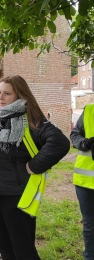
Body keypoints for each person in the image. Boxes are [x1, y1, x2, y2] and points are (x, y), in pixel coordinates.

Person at [0, 75, 70, 260]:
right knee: (3, 246)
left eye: (7, 94)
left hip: (16, 195)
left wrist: (33, 167)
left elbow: (60, 142)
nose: (0, 98)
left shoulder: (30, 119)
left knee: (23, 249)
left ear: (20, 96)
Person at [70, 105, 94, 260]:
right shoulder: (90, 110)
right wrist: (84, 143)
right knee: (90, 225)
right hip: (85, 182)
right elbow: (75, 134)